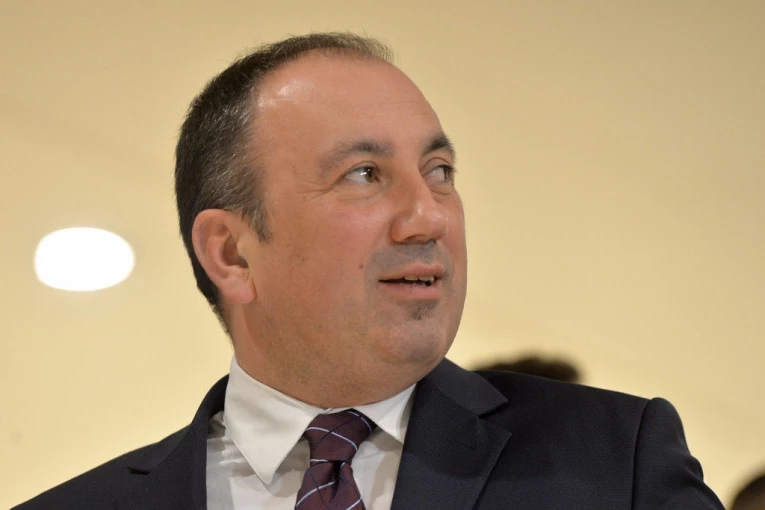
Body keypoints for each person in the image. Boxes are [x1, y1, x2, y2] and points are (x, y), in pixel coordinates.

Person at [15, 32, 723, 510]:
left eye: (439, 171)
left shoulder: (615, 463)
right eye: (363, 174)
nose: (429, 216)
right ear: (231, 253)